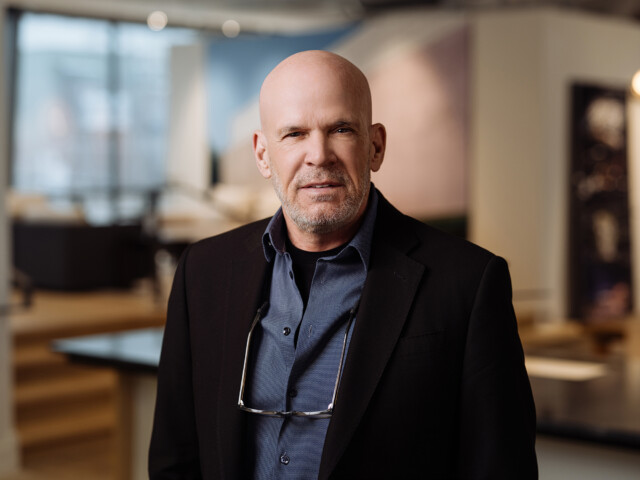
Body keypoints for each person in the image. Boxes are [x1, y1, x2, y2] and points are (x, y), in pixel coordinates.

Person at [149, 50, 537, 479]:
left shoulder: (467, 282)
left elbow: (502, 468)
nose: (319, 155)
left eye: (340, 129)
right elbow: (175, 455)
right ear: (262, 154)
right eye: (294, 133)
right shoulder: (203, 271)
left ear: (375, 146)